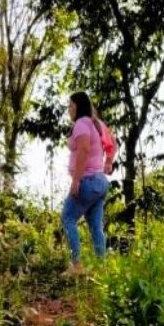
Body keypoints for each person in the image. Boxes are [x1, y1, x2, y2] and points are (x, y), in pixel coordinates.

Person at [62, 91, 110, 276]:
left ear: (79, 106)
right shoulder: (93, 124)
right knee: (95, 226)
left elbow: (83, 150)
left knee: (68, 218)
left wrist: (76, 180)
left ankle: (76, 266)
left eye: (71, 106)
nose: (69, 110)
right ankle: (101, 267)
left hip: (87, 181)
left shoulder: (82, 123)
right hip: (100, 182)